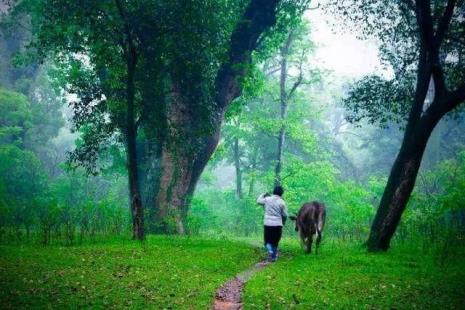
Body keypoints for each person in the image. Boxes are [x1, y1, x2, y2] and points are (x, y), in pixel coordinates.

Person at [257, 185, 288, 262]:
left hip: (267, 224)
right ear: (281, 193)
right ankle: (273, 257)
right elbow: (285, 215)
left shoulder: (267, 199)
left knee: (267, 241)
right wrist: (283, 222)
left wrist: (263, 194)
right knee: (275, 241)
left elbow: (258, 201)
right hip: (278, 224)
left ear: (273, 191)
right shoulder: (282, 202)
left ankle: (270, 251)